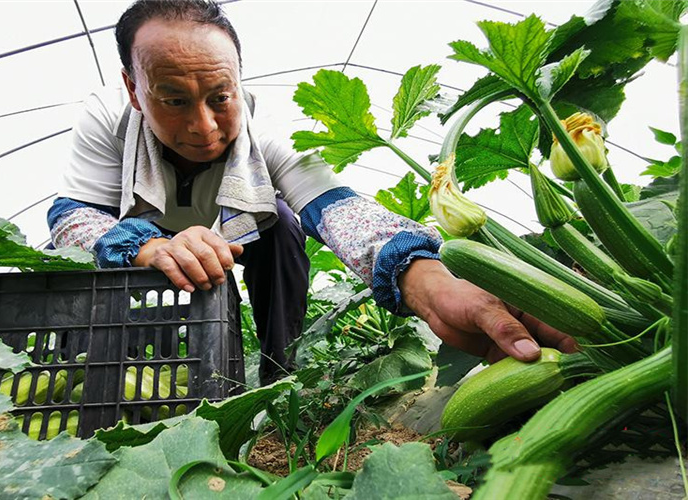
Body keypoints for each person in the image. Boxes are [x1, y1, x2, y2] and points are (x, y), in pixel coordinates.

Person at [48, 0, 577, 385]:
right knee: (102, 284)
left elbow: (339, 211)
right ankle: (103, 371)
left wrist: (429, 282)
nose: (205, 125)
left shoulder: (266, 126)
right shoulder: (105, 118)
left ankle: (280, 370)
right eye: (174, 100)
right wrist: (147, 245)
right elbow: (72, 217)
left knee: (280, 220)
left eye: (220, 96)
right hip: (135, 239)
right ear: (133, 89)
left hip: (221, 234)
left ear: (238, 78)